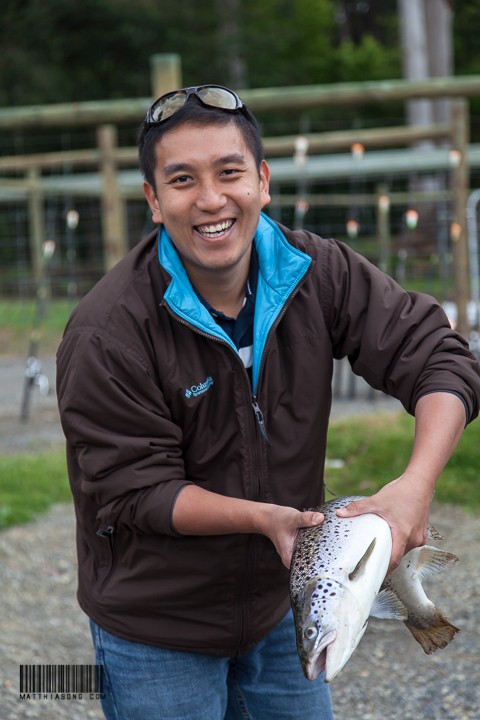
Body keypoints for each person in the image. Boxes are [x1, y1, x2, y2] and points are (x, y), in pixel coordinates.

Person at [56, 85, 480, 720]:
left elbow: (439, 356)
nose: (210, 199)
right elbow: (132, 488)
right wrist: (264, 519)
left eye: (229, 172)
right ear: (152, 199)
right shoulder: (106, 332)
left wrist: (416, 486)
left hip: (285, 602)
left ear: (262, 179)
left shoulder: (322, 273)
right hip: (156, 627)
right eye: (181, 179)